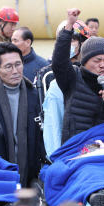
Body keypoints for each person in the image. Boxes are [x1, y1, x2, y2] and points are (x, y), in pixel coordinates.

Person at [52, 8, 104, 145]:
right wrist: (68, 26)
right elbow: (58, 63)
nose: (103, 65)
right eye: (97, 60)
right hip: (77, 150)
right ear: (84, 62)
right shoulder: (73, 78)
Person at [0, 42, 44, 188]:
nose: (15, 71)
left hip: (29, 168)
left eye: (18, 64)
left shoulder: (34, 94)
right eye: (8, 66)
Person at [40, 19, 90, 156]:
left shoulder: (92, 74)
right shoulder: (47, 74)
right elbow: (53, 124)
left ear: (83, 43)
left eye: (72, 39)